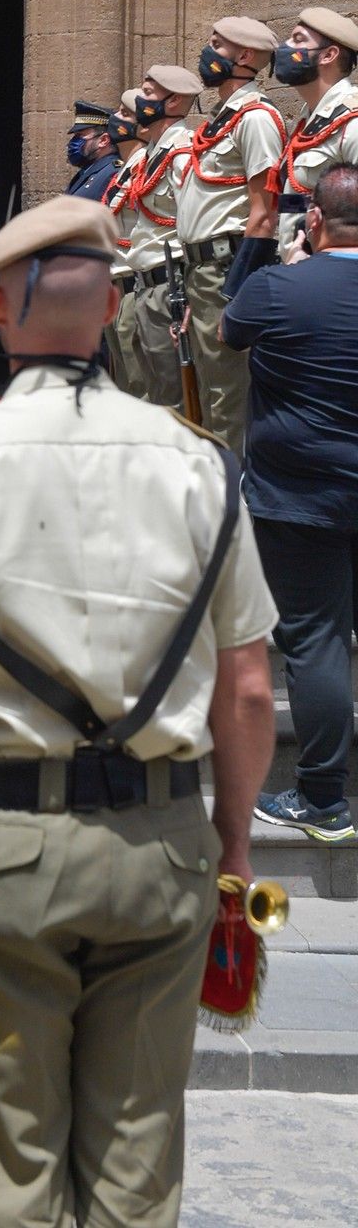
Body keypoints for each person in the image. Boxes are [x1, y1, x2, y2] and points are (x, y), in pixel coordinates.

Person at [0, 194, 276, 1228]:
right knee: (138, 1158)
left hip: (1, 838)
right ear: (110, 309)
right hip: (165, 839)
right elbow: (250, 689)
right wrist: (232, 846)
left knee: (1, 1164)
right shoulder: (199, 466)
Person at [221, 165, 358, 843]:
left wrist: (288, 259)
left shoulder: (279, 288)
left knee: (317, 641)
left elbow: (228, 328)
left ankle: (324, 797)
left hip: (298, 495)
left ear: (316, 222)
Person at [173, 17, 284, 454]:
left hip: (226, 269)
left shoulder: (255, 118)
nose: (207, 51)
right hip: (201, 270)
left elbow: (264, 213)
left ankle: (233, 502)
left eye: (216, 45)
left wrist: (236, 292)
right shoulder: (222, 118)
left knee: (228, 396)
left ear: (245, 57)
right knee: (206, 390)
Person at [120, 63, 199, 408]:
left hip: (170, 283)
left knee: (174, 395)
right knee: (151, 394)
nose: (140, 100)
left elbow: (191, 226)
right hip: (145, 283)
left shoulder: (181, 153)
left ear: (173, 101)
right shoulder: (153, 153)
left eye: (148, 94)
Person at [270, 6, 358, 255]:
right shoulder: (309, 120)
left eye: (298, 40)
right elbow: (300, 197)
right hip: (301, 267)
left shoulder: (352, 122)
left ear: (328, 55)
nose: (285, 47)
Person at [102, 88, 148, 399]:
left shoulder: (146, 165)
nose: (115, 118)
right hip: (116, 284)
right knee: (122, 382)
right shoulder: (123, 170)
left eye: (125, 113)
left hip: (134, 284)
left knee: (139, 384)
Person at [62, 101, 118, 201]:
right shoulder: (87, 171)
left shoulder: (113, 172)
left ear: (103, 140)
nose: (74, 142)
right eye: (75, 136)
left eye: (80, 136)